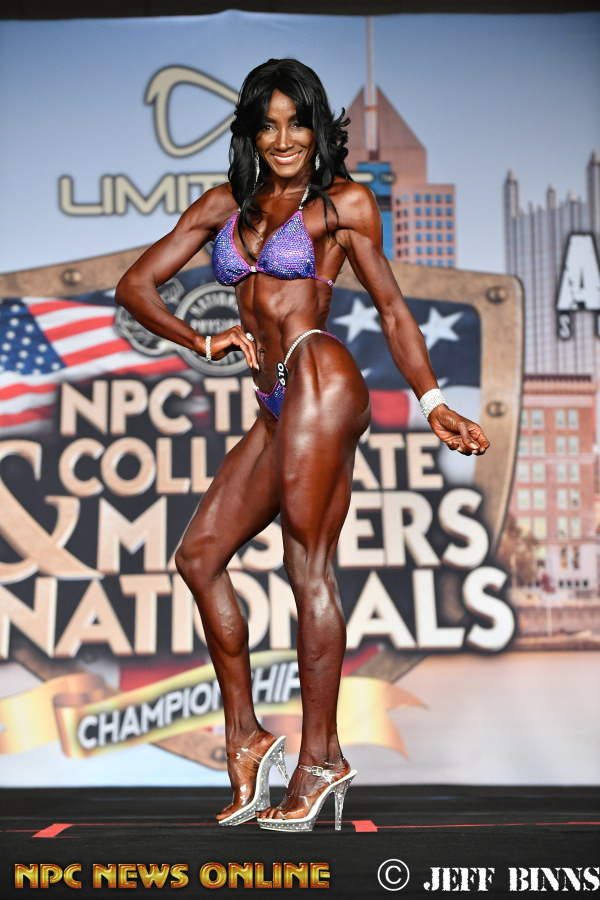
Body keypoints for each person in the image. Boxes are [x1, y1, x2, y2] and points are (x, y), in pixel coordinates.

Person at [115, 57, 490, 832]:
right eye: (269, 124)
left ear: (319, 128)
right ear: (251, 132)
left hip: (319, 373)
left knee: (305, 565)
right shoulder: (224, 205)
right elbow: (134, 287)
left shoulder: (341, 202)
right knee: (199, 557)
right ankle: (248, 739)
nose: (284, 139)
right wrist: (201, 341)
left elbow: (391, 308)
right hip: (273, 404)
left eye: (298, 122)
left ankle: (321, 757)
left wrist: (432, 401)